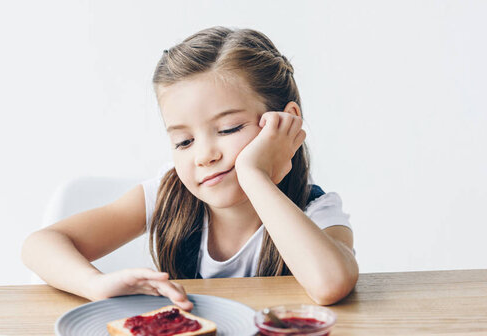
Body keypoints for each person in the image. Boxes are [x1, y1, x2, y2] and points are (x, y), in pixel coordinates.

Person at [21, 26, 358, 311]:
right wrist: (95, 284)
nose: (204, 155)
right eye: (184, 141)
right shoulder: (164, 196)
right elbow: (40, 245)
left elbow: (330, 285)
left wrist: (255, 175)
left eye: (227, 130)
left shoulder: (315, 209)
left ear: (286, 122)